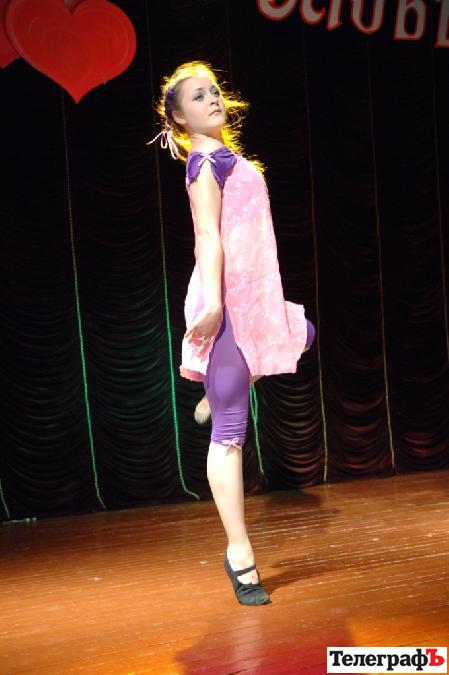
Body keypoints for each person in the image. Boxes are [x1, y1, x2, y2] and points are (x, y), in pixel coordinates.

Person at [149, 61, 315, 606]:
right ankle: (240, 554)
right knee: (230, 433)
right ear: (179, 117)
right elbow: (206, 236)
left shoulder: (230, 159)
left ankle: (218, 390)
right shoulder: (203, 163)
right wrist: (215, 305)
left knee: (303, 333)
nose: (213, 99)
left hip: (257, 296)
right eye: (198, 97)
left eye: (214, 90)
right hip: (228, 305)